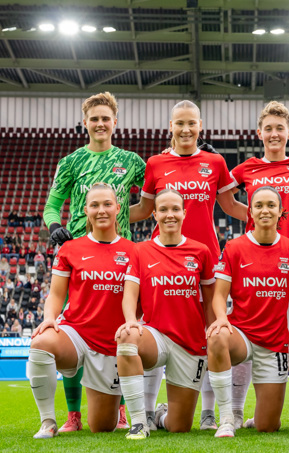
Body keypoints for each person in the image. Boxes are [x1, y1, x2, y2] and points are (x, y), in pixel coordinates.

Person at [128, 100, 247, 430]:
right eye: (179, 123)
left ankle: (209, 412)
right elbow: (144, 210)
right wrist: (102, 219)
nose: (185, 129)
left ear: (200, 126)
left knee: (209, 329)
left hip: (205, 260)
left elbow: (231, 205)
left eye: (191, 123)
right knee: (155, 328)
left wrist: (269, 218)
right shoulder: (155, 163)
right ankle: (147, 412)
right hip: (162, 261)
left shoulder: (215, 162)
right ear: (170, 126)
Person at [42, 92, 145, 432]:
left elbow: (155, 196)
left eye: (105, 118)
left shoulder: (131, 161)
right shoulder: (71, 162)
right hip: (79, 260)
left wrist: (189, 154)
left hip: (122, 259)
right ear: (85, 123)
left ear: (115, 122)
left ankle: (121, 409)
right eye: (94, 119)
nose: (100, 124)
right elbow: (52, 206)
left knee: (122, 329)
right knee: (73, 328)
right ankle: (73, 414)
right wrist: (55, 227)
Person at [228, 101, 289, 429]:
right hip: (253, 261)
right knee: (247, 332)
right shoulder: (247, 168)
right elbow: (222, 195)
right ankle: (236, 412)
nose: (274, 134)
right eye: (268, 128)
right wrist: (253, 214)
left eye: (279, 128)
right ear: (259, 133)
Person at [27, 183, 135, 438]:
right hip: (75, 335)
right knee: (41, 343)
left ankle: (118, 410)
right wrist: (49, 319)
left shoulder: (134, 251)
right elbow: (56, 294)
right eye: (94, 205)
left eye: (107, 204)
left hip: (111, 344)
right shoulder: (70, 249)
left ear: (118, 208)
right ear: (85, 210)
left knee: (102, 427)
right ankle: (48, 422)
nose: (101, 210)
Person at [115, 189, 216, 439]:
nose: (169, 215)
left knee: (179, 426)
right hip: (156, 335)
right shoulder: (141, 250)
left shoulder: (201, 251)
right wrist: (130, 321)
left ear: (184, 213)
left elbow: (210, 301)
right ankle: (139, 422)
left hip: (190, 342)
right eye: (163, 210)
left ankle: (160, 416)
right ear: (155, 215)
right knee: (127, 337)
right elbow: (130, 295)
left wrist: (212, 336)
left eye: (175, 209)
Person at [206, 186, 289, 437]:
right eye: (258, 205)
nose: (265, 210)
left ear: (281, 211)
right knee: (216, 335)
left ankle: (256, 419)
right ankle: (227, 418)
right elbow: (219, 295)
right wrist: (221, 319)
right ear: (250, 212)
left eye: (271, 205)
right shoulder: (234, 247)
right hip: (242, 335)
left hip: (275, 341)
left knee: (268, 426)